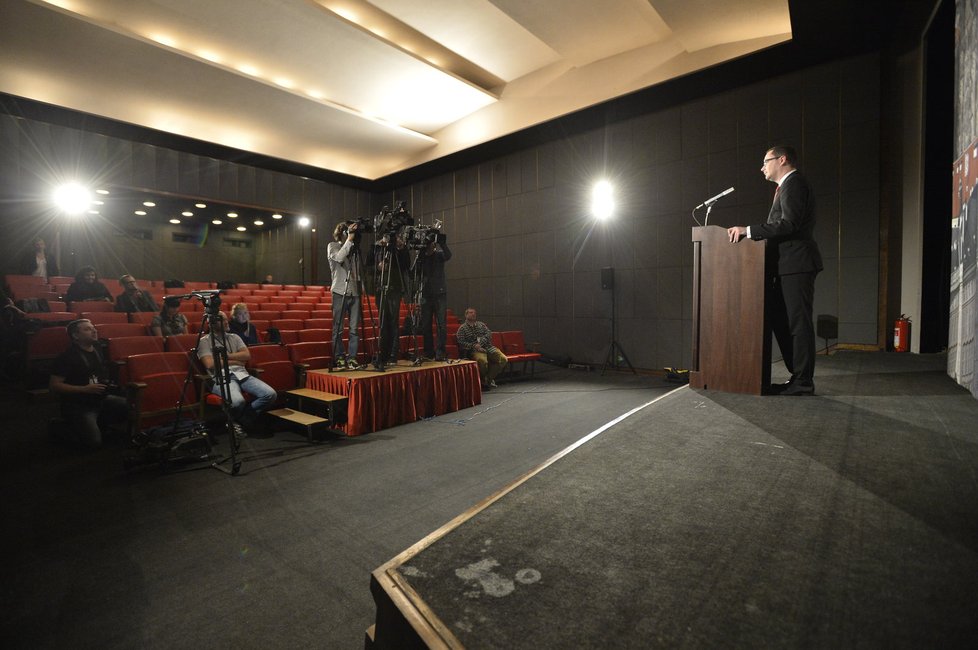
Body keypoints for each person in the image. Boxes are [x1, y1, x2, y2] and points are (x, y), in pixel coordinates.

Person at [727, 145, 823, 396]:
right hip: (784, 266)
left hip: (796, 264)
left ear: (782, 159)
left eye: (765, 161)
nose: (762, 168)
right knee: (782, 321)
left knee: (797, 323)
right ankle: (797, 376)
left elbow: (789, 223)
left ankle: (803, 381)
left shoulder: (794, 183)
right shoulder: (785, 187)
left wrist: (748, 231)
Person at [48, 319, 128, 448]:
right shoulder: (66, 357)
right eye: (87, 329)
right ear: (75, 336)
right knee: (93, 443)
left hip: (100, 398)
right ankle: (59, 425)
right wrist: (84, 389)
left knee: (130, 406)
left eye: (93, 328)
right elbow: (54, 385)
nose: (94, 331)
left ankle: (99, 422)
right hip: (79, 404)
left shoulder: (97, 348)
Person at [196, 311, 277, 433]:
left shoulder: (235, 337)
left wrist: (225, 358)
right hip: (221, 378)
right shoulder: (204, 341)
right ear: (212, 324)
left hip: (242, 375)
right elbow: (210, 364)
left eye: (226, 319)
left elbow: (246, 355)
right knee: (238, 402)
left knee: (270, 394)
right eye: (222, 320)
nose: (226, 322)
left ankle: (241, 421)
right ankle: (242, 423)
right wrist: (235, 361)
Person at [367, 231, 411, 370]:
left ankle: (393, 354)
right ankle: (383, 354)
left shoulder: (398, 248)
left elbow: (406, 266)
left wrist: (401, 248)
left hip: (395, 288)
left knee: (393, 322)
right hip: (380, 288)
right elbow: (368, 267)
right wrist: (378, 267)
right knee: (383, 321)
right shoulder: (376, 247)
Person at [327, 220, 362, 369]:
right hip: (339, 291)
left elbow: (357, 270)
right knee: (338, 328)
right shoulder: (332, 246)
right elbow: (340, 258)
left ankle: (352, 358)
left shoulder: (354, 249)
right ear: (343, 233)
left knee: (354, 329)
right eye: (349, 232)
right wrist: (348, 240)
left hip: (354, 292)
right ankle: (339, 357)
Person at [417, 235, 453, 361]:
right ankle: (429, 351)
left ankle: (440, 351)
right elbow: (414, 272)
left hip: (439, 293)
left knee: (441, 324)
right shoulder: (422, 257)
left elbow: (448, 255)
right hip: (426, 294)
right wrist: (421, 251)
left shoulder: (439, 255)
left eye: (432, 242)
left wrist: (442, 243)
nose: (430, 244)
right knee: (426, 324)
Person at [456, 307, 508, 390]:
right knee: (482, 362)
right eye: (471, 312)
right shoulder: (462, 328)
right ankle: (485, 382)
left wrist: (480, 344)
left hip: (488, 347)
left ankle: (487, 379)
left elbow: (488, 334)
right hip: (475, 350)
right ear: (466, 315)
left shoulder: (481, 324)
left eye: (474, 313)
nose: (473, 314)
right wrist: (474, 346)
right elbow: (461, 342)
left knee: (503, 359)